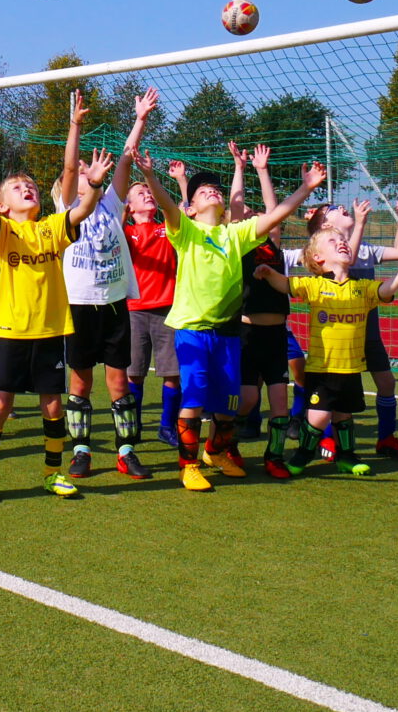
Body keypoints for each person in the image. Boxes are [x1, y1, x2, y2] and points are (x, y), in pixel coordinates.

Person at [138, 145, 324, 491]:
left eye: (217, 190)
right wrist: (150, 175)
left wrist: (306, 188)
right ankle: (188, 465)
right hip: (193, 330)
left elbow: (276, 216)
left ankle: (216, 451)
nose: (213, 191)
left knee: (228, 405)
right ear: (191, 207)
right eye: (203, 191)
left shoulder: (235, 234)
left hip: (228, 333)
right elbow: (165, 203)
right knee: (193, 399)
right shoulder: (186, 231)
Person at [0, 92, 107, 503]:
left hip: (49, 330)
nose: (26, 188)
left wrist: (91, 175)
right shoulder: (3, 230)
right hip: (11, 329)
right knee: (0, 405)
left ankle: (52, 473)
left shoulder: (51, 228)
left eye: (28, 185)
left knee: (52, 407)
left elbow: (78, 205)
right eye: (17, 187)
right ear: (6, 205)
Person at [60, 90, 158, 480]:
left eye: (90, 169)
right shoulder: (67, 207)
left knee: (119, 382)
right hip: (81, 304)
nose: (87, 169)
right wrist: (76, 125)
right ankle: (81, 451)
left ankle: (126, 451)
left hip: (115, 303)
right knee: (80, 381)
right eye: (84, 170)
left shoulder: (113, 205)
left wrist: (139, 120)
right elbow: (69, 171)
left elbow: (125, 161)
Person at [275, 228, 398, 475]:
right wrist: (268, 273)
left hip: (351, 367)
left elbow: (383, 292)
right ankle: (303, 454)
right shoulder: (314, 285)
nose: (341, 242)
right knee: (319, 418)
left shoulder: (362, 287)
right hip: (322, 368)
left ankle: (347, 457)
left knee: (344, 415)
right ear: (318, 258)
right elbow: (286, 284)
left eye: (343, 240)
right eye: (333, 241)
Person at [227, 145, 296, 479]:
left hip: (276, 334)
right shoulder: (240, 246)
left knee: (280, 401)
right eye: (250, 219)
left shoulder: (273, 245)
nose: (258, 219)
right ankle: (226, 444)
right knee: (247, 399)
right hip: (247, 333)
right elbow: (236, 210)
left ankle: (275, 456)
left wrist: (262, 170)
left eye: (261, 219)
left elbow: (274, 209)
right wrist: (239, 169)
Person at [123, 165, 179, 449]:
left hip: (167, 309)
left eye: (149, 192)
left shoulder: (165, 227)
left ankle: (167, 426)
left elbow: (174, 211)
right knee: (135, 372)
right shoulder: (127, 231)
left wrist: (150, 177)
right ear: (129, 206)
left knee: (173, 372)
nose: (146, 194)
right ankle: (133, 424)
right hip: (133, 310)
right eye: (139, 193)